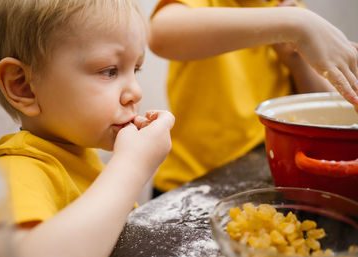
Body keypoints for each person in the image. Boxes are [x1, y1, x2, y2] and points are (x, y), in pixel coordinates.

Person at [0, 0, 175, 257]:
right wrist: (132, 166)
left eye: (135, 69)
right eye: (109, 71)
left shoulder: (78, 151)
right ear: (23, 87)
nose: (136, 91)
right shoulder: (13, 171)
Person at [148, 0, 358, 196]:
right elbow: (160, 34)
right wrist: (293, 23)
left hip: (260, 178)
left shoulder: (286, 9)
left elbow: (322, 109)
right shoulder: (290, 18)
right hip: (186, 184)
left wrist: (295, 60)